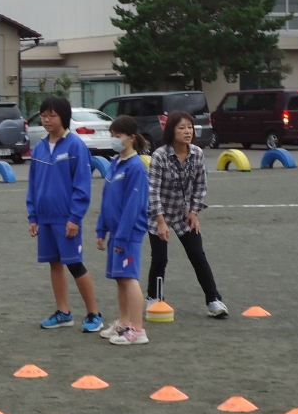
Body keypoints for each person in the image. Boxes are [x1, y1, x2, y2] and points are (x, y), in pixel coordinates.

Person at [25, 96, 102, 333]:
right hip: (45, 218)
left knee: (75, 264)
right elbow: (33, 185)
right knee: (54, 264)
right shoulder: (39, 148)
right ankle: (63, 312)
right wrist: (33, 216)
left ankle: (93, 314)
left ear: (63, 117)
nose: (46, 120)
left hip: (66, 219)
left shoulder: (76, 147)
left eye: (52, 115)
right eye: (43, 115)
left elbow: (81, 186)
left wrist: (74, 218)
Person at [146, 111, 227, 318]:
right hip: (159, 213)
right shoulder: (160, 155)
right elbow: (152, 190)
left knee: (198, 255)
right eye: (181, 127)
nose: (187, 131)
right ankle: (154, 298)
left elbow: (201, 185)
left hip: (183, 214)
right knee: (160, 258)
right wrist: (160, 222)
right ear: (171, 131)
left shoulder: (197, 154)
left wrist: (194, 211)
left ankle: (214, 300)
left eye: (190, 127)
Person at [95, 115, 150, 346]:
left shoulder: (136, 167)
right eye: (112, 135)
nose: (114, 140)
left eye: (117, 136)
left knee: (129, 278)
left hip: (127, 234)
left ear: (131, 138)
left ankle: (138, 330)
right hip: (116, 232)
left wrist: (122, 236)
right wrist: (101, 230)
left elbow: (132, 206)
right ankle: (124, 322)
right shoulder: (116, 163)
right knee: (120, 279)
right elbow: (108, 199)